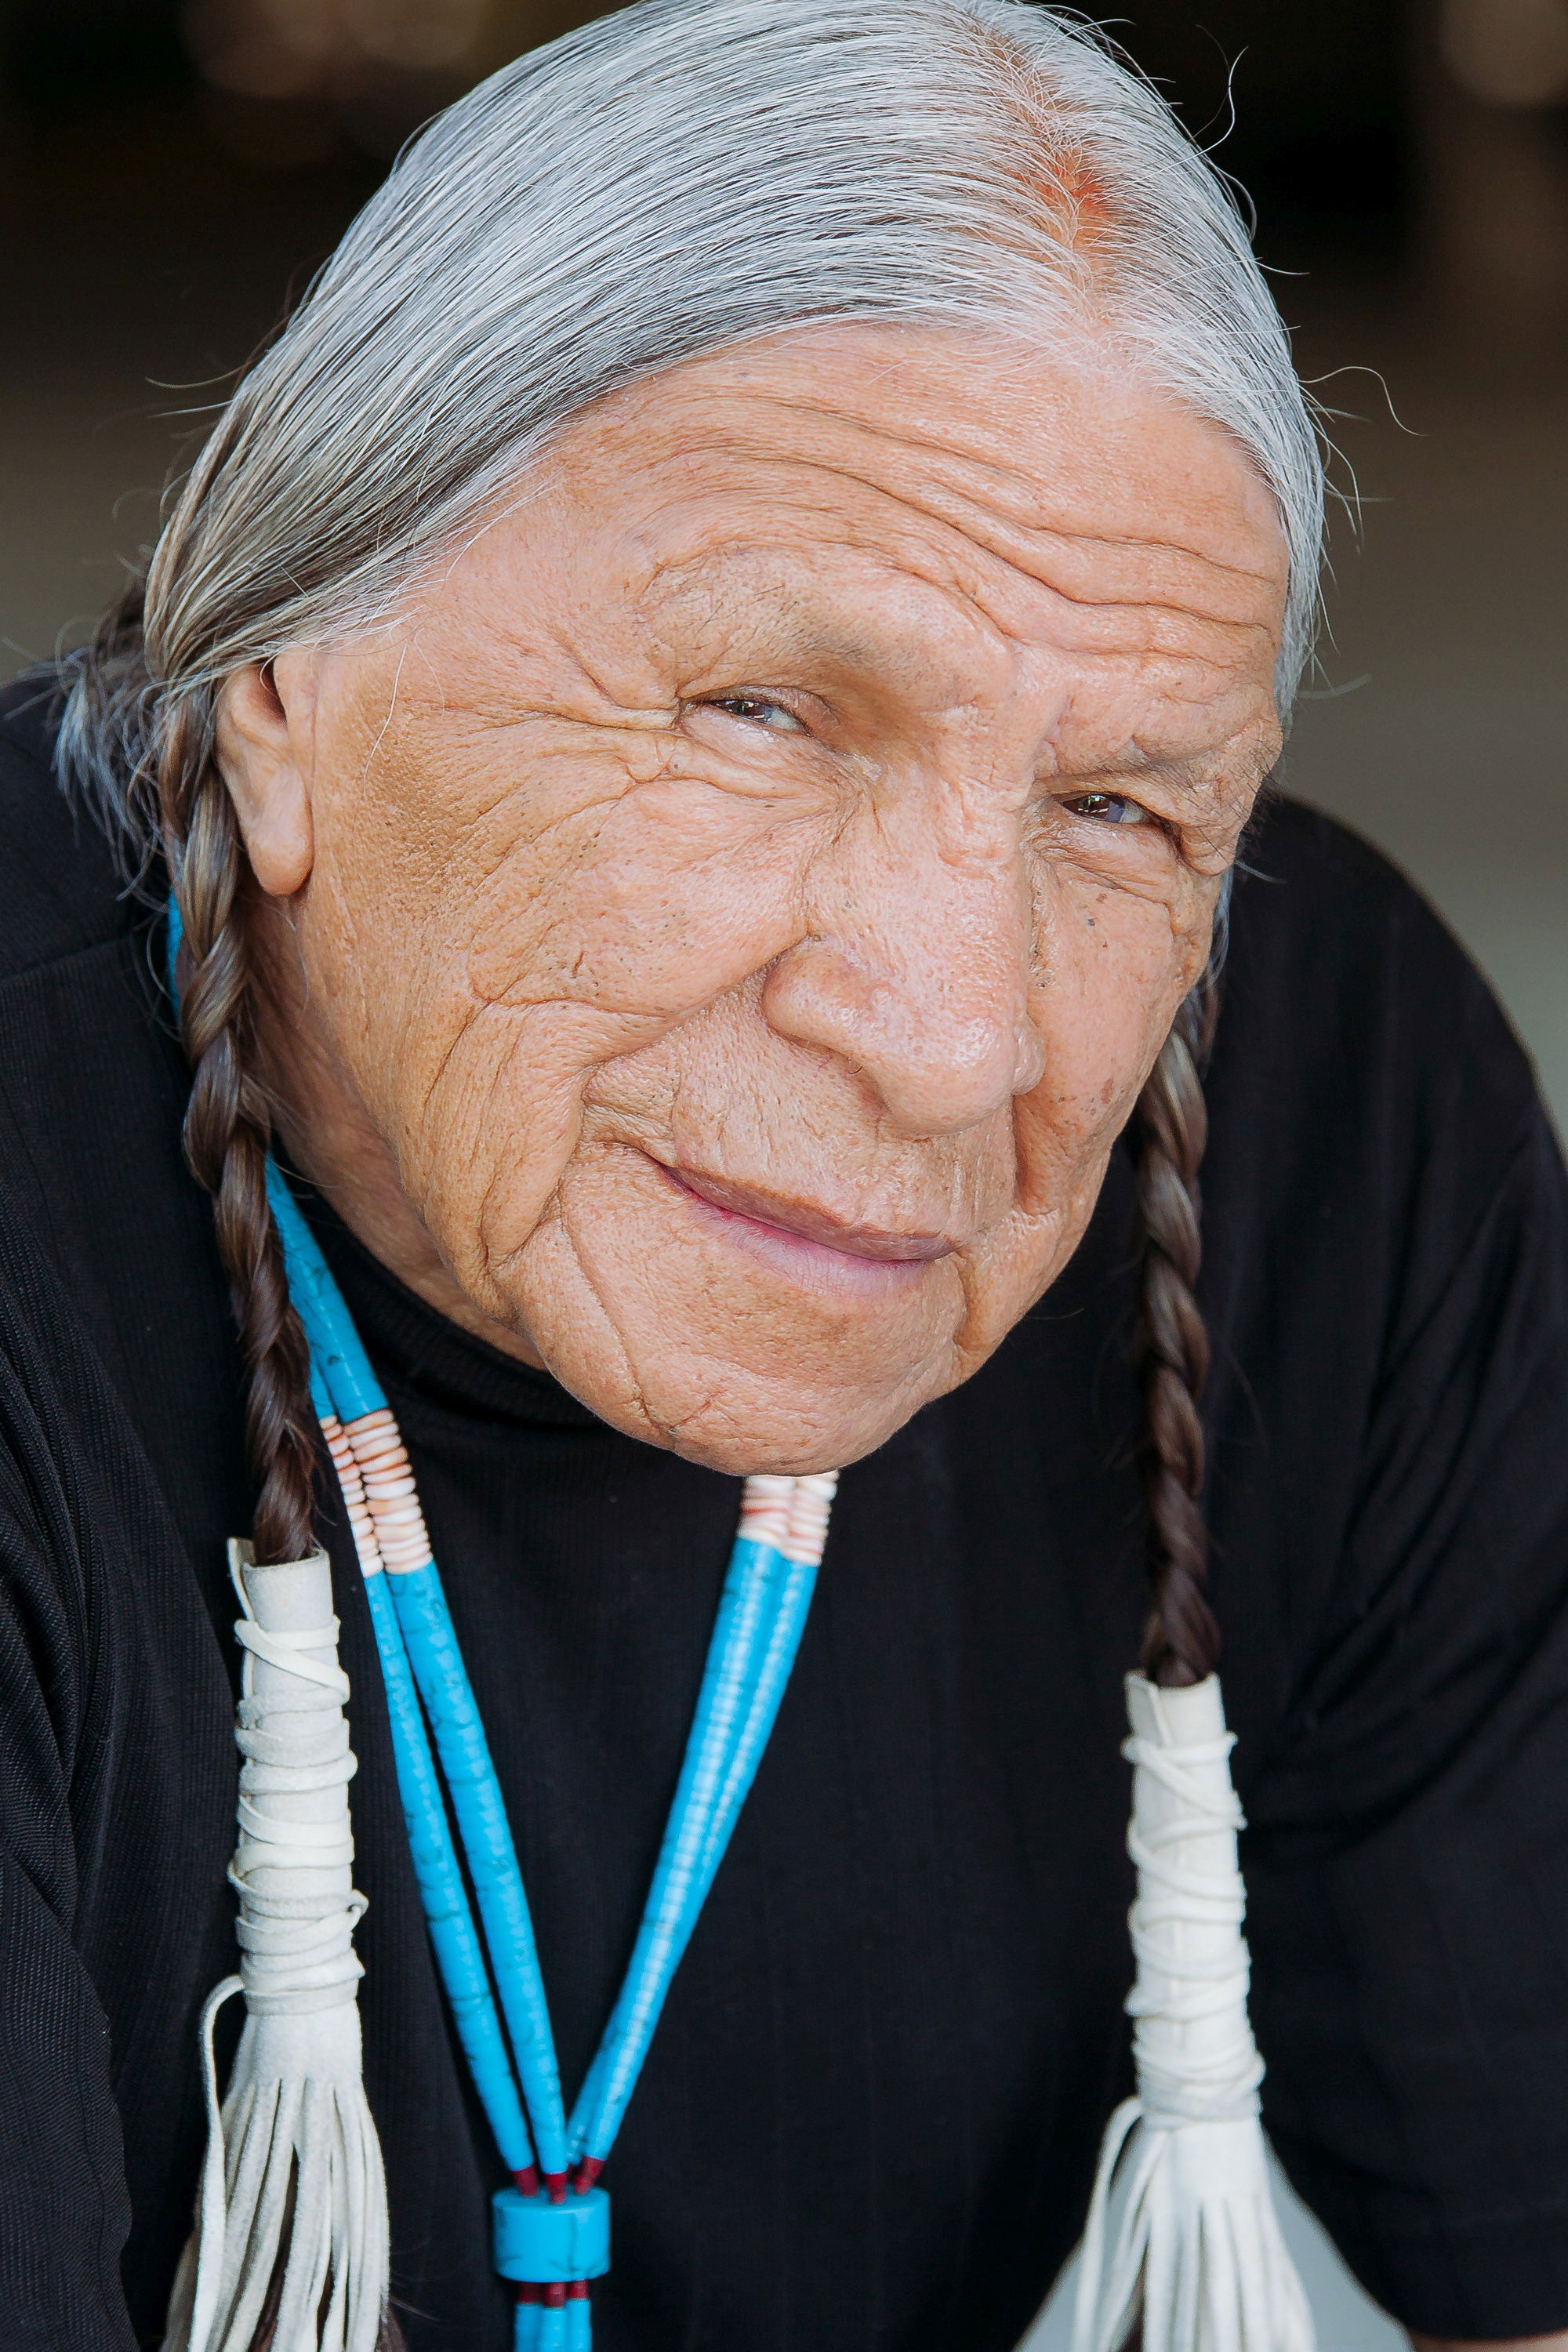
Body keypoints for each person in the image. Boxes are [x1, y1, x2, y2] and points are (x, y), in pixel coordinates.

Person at [2, 1, 1566, 2347]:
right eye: (759, 713)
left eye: (1116, 808)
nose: (953, 1043)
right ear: (283, 690)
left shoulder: (1325, 1104)